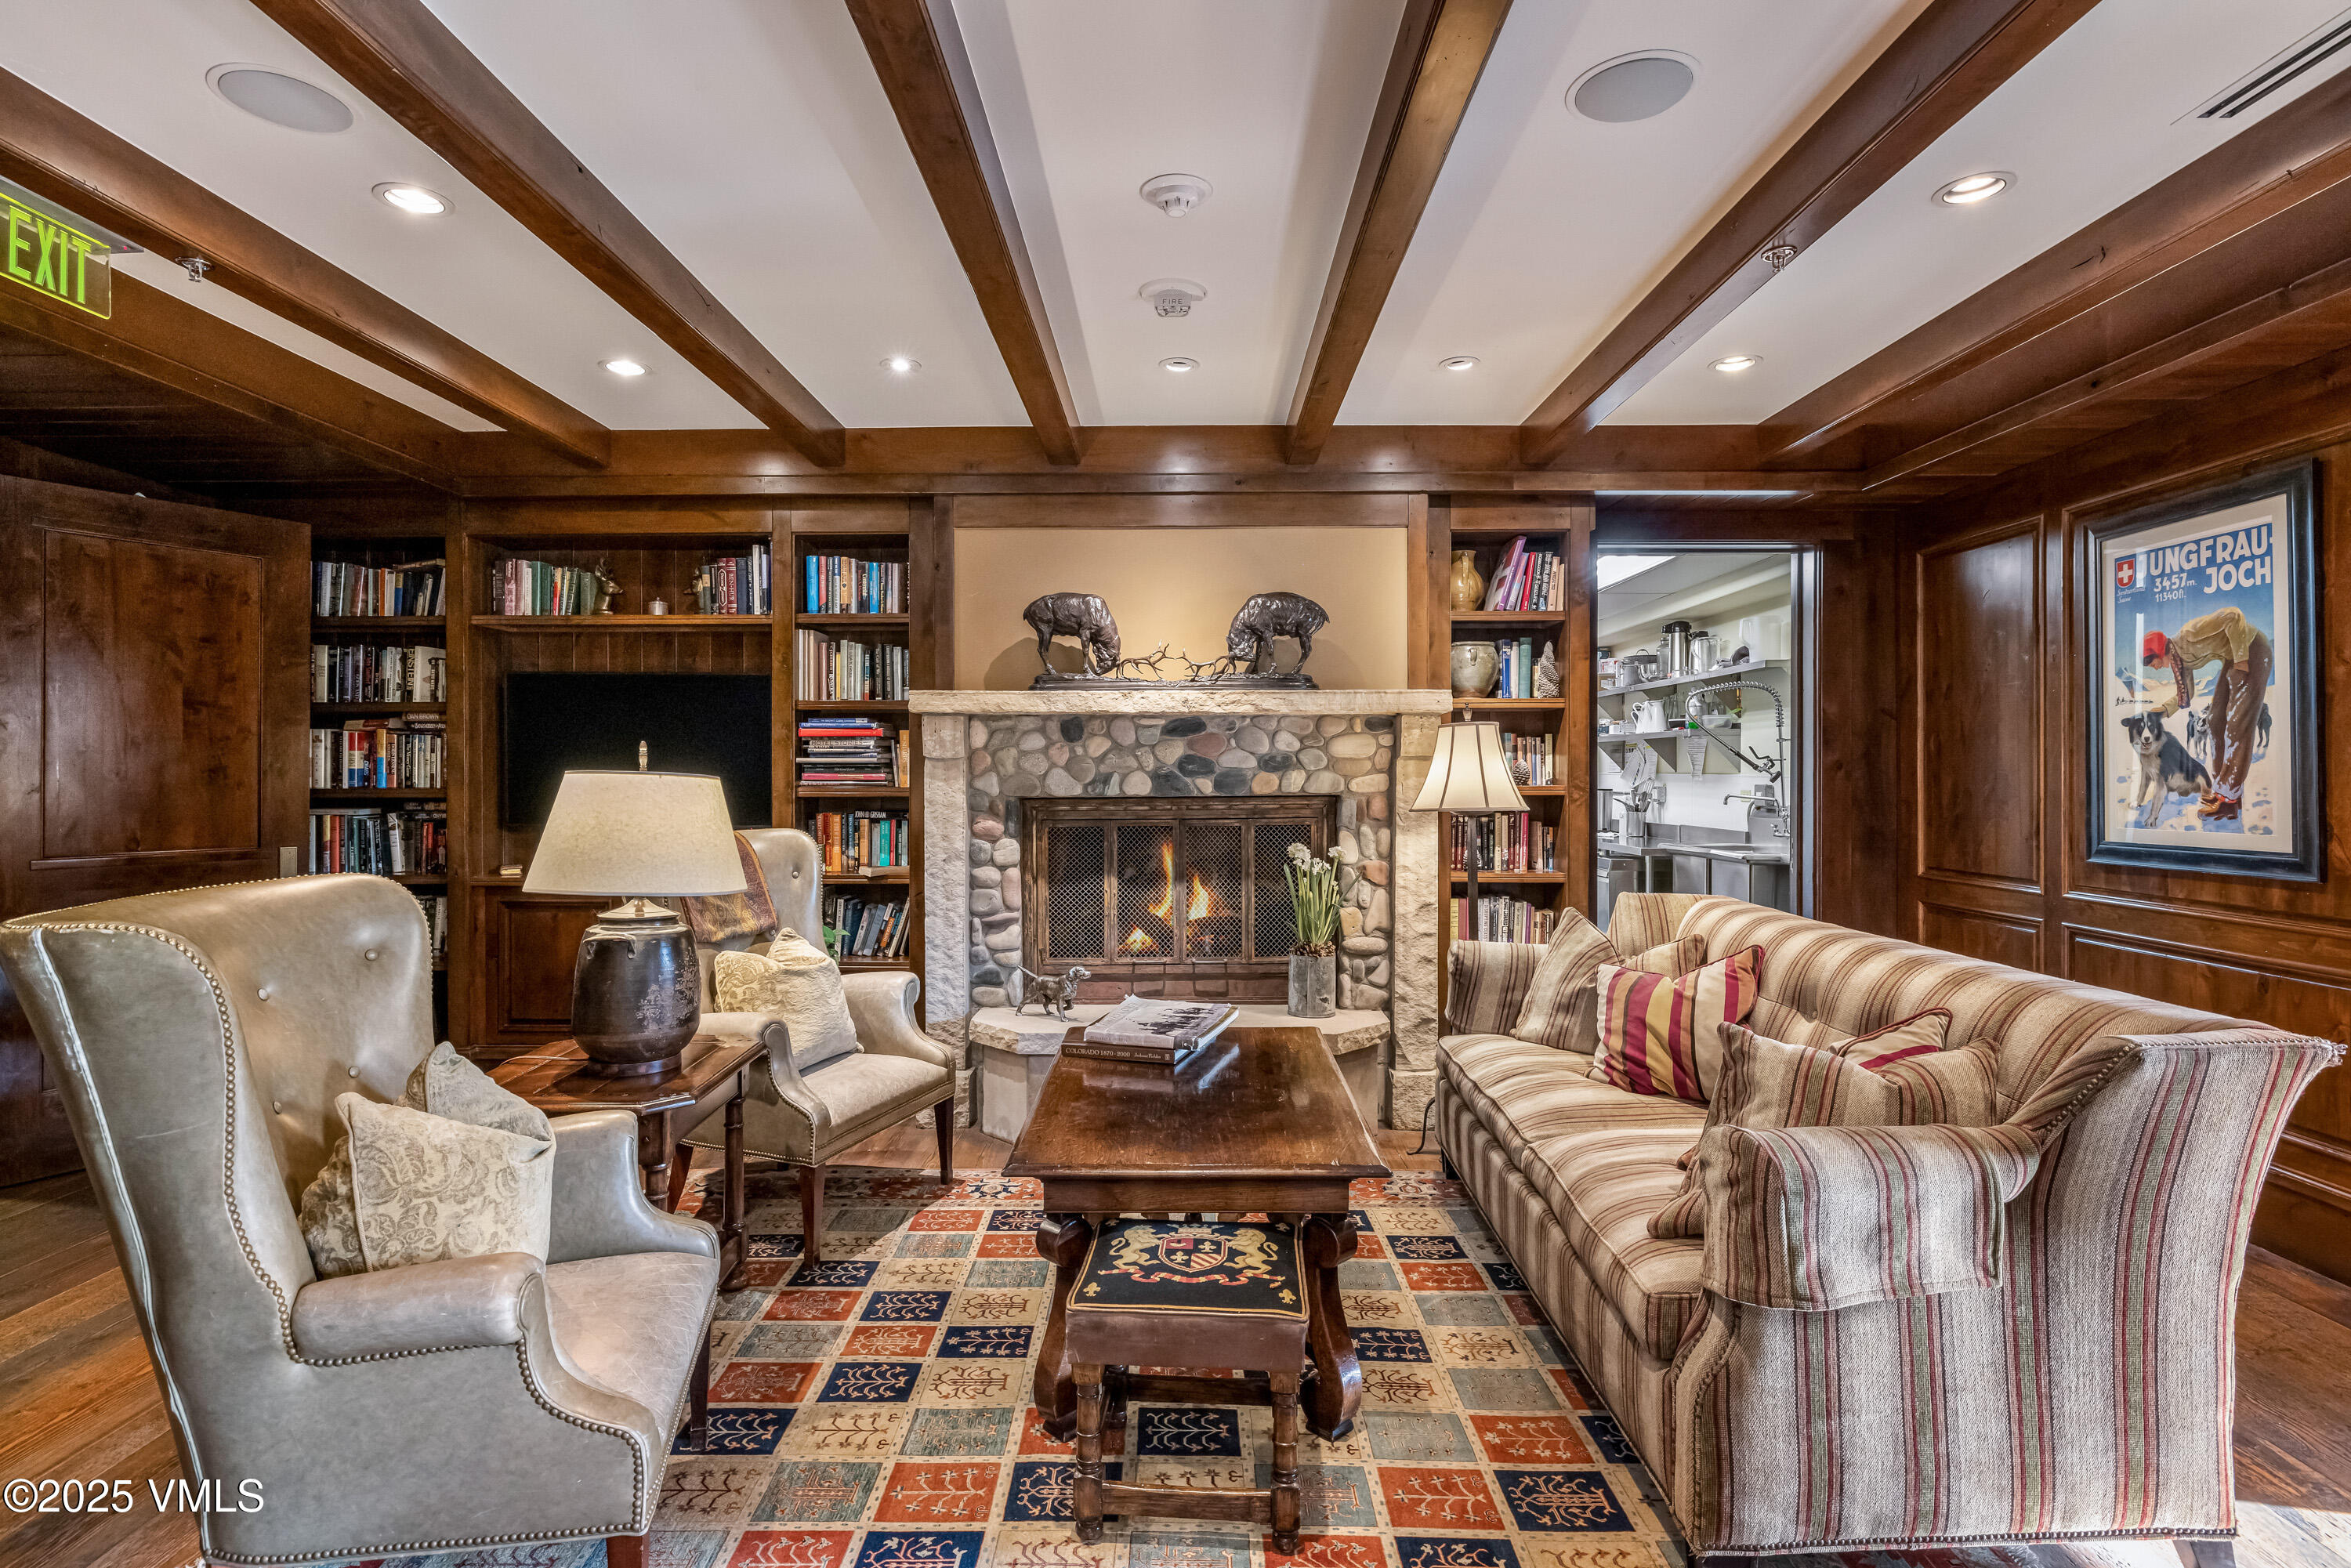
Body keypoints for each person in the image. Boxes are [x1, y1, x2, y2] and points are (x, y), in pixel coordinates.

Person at [2143, 606, 2270, 822]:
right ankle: (2228, 793)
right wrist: (2162, 711)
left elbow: (2233, 615)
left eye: (2150, 661)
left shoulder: (2189, 634)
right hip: (2233, 658)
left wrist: (2240, 659)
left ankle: (2227, 798)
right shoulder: (2180, 661)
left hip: (2253, 650)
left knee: (2237, 725)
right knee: (2214, 721)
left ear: (2159, 650)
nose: (2153, 667)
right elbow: (2187, 692)